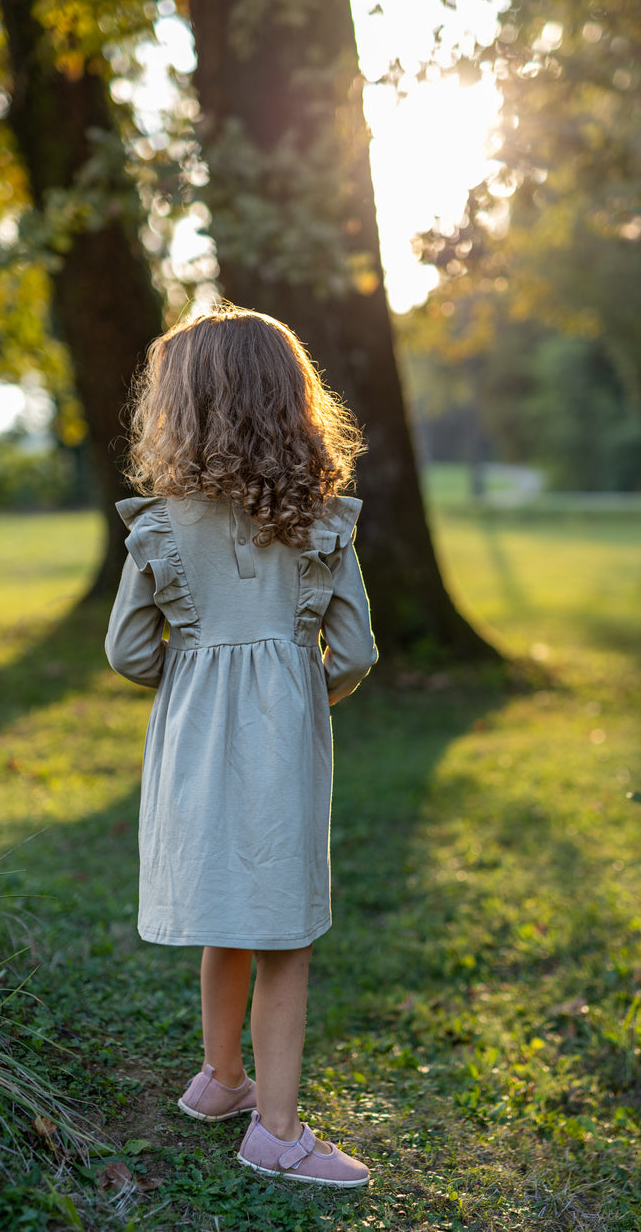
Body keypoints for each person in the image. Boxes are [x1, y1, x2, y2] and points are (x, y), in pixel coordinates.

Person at [105, 304, 377, 1189]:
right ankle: (278, 1133)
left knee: (228, 906)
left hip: (192, 743)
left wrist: (195, 682)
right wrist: (300, 694)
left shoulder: (161, 525)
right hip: (282, 748)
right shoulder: (321, 521)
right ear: (293, 402)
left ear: (178, 409)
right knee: (284, 933)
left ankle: (222, 1080)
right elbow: (357, 652)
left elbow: (129, 651)